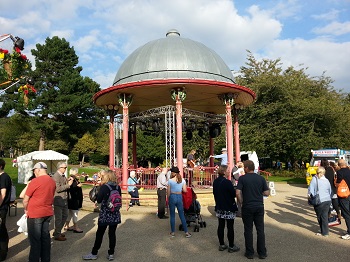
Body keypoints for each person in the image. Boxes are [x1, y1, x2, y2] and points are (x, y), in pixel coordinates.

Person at [83, 169, 122, 261]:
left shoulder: (105, 187)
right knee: (112, 234)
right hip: (115, 213)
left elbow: (99, 200)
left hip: (105, 213)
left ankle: (94, 252)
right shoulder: (117, 187)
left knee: (100, 233)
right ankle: (111, 253)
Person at [22, 162, 56, 262]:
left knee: (35, 240)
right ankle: (46, 259)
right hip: (47, 212)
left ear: (38, 170)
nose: (34, 172)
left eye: (34, 170)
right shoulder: (52, 181)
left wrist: (26, 209)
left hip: (35, 213)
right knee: (45, 238)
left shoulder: (35, 181)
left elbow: (25, 199)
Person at [236, 160, 269, 259]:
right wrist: (259, 193)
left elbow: (237, 193)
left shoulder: (242, 179)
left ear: (246, 168)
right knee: (260, 230)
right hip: (259, 206)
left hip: (247, 206)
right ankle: (262, 252)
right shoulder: (261, 178)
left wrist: (241, 202)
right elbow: (267, 193)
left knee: (248, 230)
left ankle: (250, 252)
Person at [213, 165, 240, 253]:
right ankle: (231, 246)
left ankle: (222, 244)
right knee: (230, 227)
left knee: (221, 226)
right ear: (224, 172)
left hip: (220, 206)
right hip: (228, 207)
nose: (229, 172)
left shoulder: (215, 181)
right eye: (228, 170)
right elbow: (233, 194)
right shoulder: (227, 182)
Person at [167, 166, 192, 238]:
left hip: (172, 196)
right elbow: (185, 190)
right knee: (181, 215)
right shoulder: (182, 180)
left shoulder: (170, 181)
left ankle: (172, 232)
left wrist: (168, 199)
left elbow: (168, 191)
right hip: (179, 196)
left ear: (173, 173)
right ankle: (186, 232)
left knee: (172, 215)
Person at [308, 166, 332, 236]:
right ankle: (325, 230)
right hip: (327, 199)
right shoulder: (326, 180)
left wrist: (309, 198)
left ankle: (324, 231)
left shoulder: (314, 179)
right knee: (324, 216)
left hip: (320, 200)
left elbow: (311, 191)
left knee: (320, 216)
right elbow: (330, 190)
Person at [52, 162, 73, 241]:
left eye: (66, 167)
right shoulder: (56, 176)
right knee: (59, 218)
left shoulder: (62, 175)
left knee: (65, 215)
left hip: (64, 199)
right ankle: (57, 234)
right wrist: (68, 185)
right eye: (64, 167)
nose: (65, 169)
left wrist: (67, 181)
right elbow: (58, 189)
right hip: (58, 199)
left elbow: (62, 185)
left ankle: (57, 231)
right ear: (59, 168)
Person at [64, 168, 83, 233]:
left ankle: (67, 225)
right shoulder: (72, 180)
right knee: (75, 213)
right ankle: (76, 227)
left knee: (70, 213)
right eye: (76, 173)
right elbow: (71, 189)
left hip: (72, 199)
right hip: (74, 199)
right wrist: (78, 186)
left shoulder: (74, 179)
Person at [0, 159, 12, 261]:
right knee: (2, 229)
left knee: (1, 230)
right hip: (2, 207)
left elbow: (2, 194)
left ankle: (2, 253)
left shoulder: (3, 177)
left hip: (1, 208)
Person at [335, 159, 350, 240]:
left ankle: (349, 232)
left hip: (344, 196)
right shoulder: (349, 170)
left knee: (346, 214)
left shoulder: (340, 172)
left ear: (339, 165)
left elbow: (337, 184)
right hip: (349, 194)